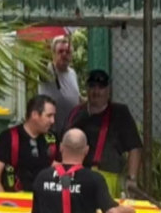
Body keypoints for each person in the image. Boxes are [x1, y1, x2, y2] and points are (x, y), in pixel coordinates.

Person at [61, 69, 142, 198]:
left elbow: (134, 147)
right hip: (75, 175)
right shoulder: (75, 113)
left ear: (108, 90)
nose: (96, 91)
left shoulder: (120, 112)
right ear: (87, 88)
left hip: (106, 176)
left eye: (101, 87)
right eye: (92, 86)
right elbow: (63, 144)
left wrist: (132, 179)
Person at [0, 95, 58, 193]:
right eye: (49, 116)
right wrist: (4, 203)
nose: (53, 121)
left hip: (44, 202)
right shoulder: (8, 137)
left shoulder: (52, 139)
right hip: (16, 202)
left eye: (54, 116)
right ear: (34, 115)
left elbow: (61, 168)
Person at [38, 35, 81, 136]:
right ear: (53, 54)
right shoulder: (48, 71)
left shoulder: (72, 73)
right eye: (60, 51)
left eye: (67, 52)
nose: (64, 54)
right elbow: (41, 65)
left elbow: (76, 96)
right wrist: (45, 50)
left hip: (70, 129)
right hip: (51, 131)